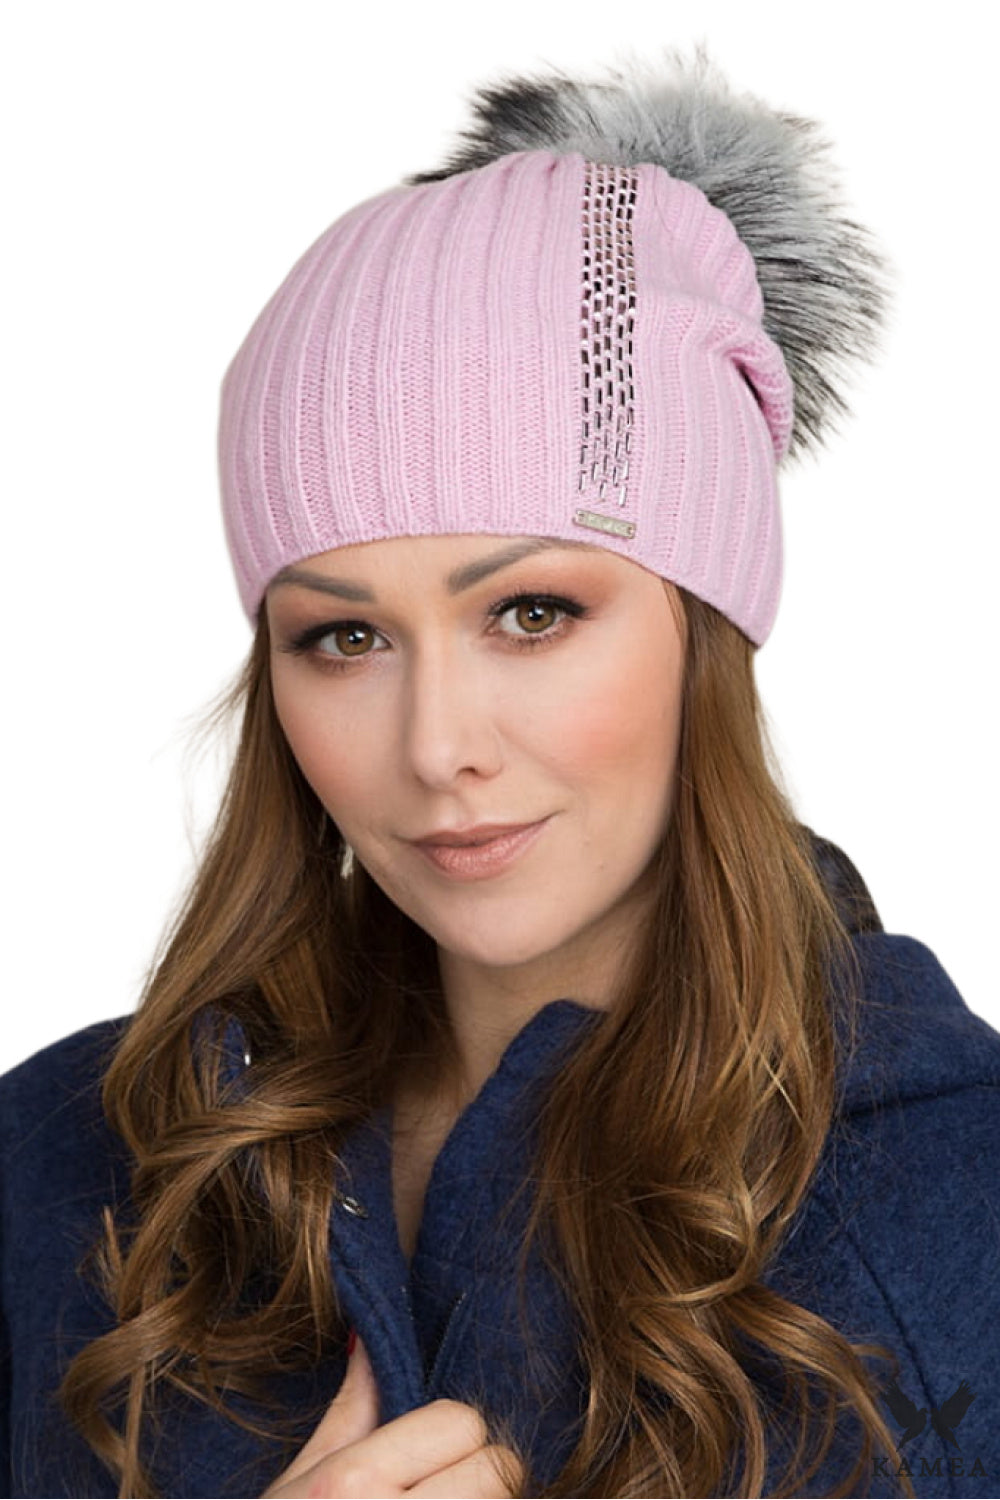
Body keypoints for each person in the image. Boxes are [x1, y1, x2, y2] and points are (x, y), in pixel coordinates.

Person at [1, 48, 998, 1500]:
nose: (436, 746)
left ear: (707, 624)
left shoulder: (962, 1201)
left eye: (532, 613)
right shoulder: (61, 1172)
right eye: (344, 637)